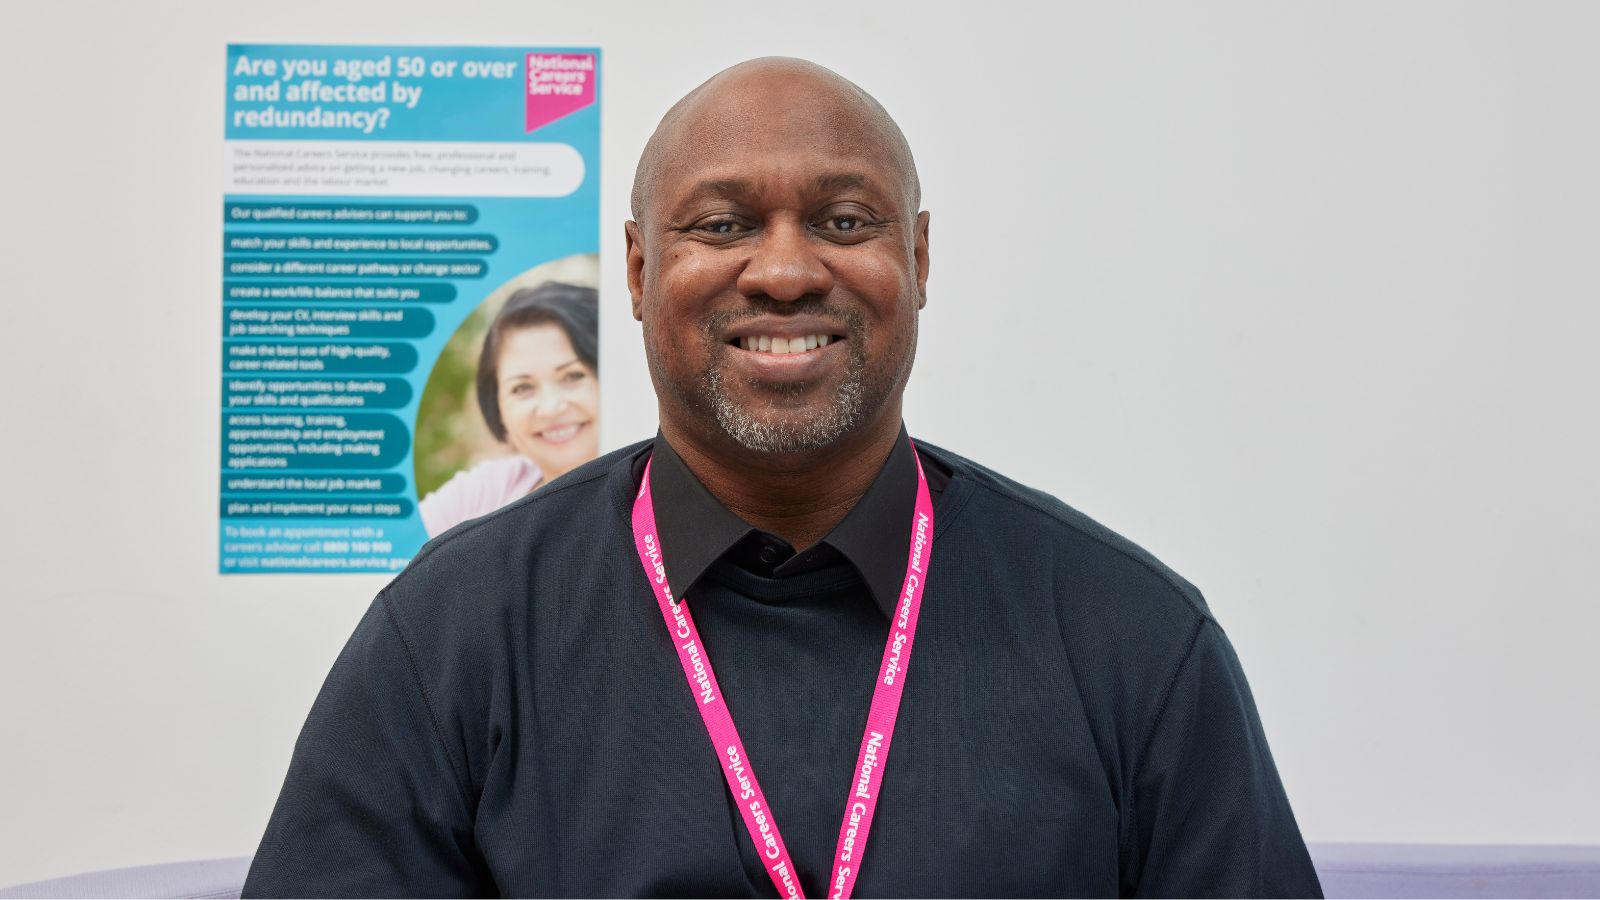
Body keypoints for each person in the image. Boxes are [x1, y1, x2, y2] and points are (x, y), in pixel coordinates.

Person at [244, 58, 1322, 898]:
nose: (787, 269)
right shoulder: (451, 635)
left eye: (845, 221)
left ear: (920, 260)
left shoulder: (1128, 636)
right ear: (636, 270)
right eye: (722, 225)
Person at [417, 281, 599, 537]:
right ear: (498, 406)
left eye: (572, 376)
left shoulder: (660, 496)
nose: (549, 408)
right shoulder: (485, 494)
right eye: (522, 388)